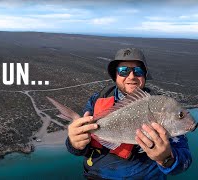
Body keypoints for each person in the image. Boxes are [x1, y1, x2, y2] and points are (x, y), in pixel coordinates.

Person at [66, 48, 192, 179]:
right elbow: (79, 147)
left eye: (137, 71)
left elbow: (185, 160)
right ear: (115, 75)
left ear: (144, 75)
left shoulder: (163, 106)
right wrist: (74, 143)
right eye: (123, 71)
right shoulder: (97, 99)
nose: (131, 76)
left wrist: (166, 159)